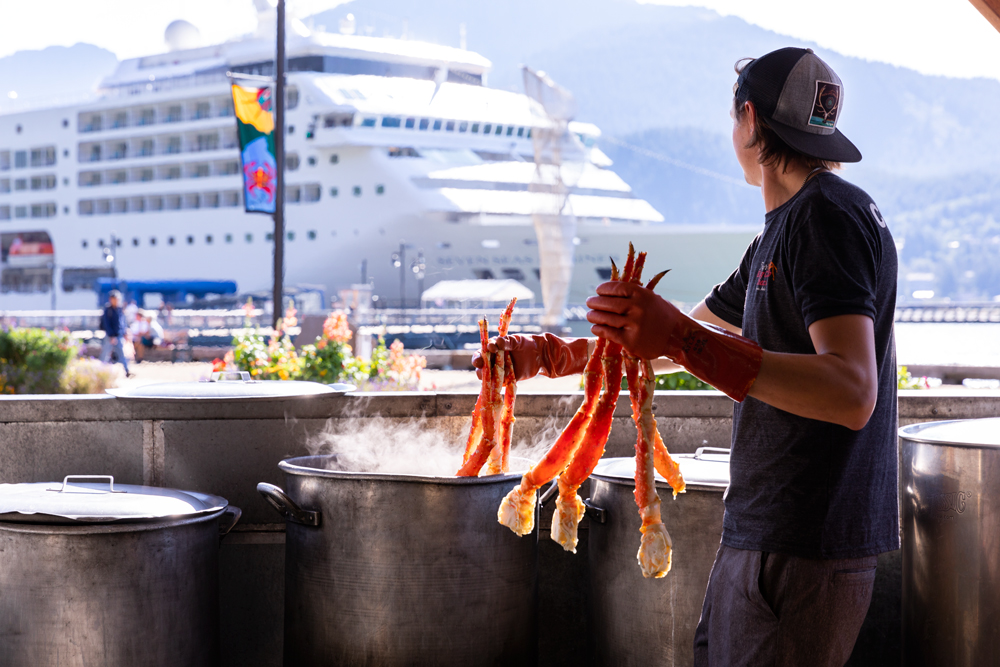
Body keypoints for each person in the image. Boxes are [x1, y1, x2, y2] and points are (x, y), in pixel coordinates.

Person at [478, 47, 898, 666]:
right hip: (767, 533)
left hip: (803, 540)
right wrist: (557, 355)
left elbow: (850, 391)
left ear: (748, 119)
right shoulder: (780, 234)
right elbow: (697, 335)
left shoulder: (825, 217)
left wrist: (673, 336)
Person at [100, 290, 132, 377]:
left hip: (119, 335)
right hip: (110, 336)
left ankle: (127, 370)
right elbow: (107, 324)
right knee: (105, 354)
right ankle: (100, 372)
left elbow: (122, 322)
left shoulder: (120, 309)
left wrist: (125, 332)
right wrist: (111, 336)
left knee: (122, 354)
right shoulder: (108, 310)